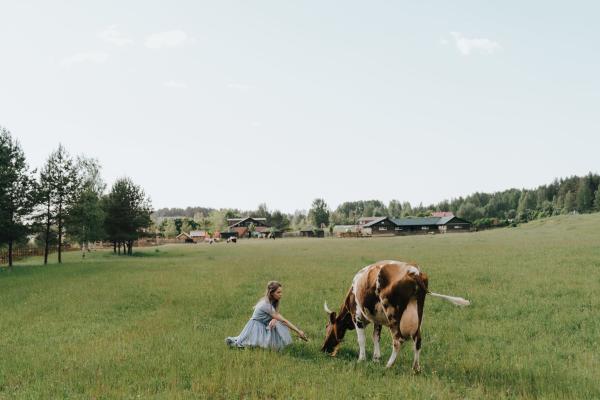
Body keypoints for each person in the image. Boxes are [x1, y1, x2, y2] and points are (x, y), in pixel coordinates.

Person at [225, 281, 308, 350]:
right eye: (278, 292)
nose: (281, 294)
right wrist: (298, 331)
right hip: (255, 327)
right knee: (247, 346)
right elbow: (283, 320)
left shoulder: (272, 301)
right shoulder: (266, 304)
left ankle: (278, 346)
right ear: (271, 293)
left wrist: (274, 319)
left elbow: (276, 316)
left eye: (281, 292)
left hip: (262, 325)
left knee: (278, 324)